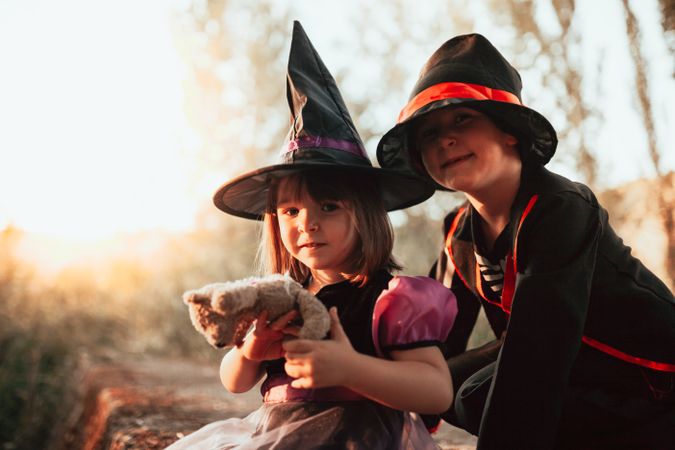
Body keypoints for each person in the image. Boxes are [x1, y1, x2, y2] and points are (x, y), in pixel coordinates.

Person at [166, 21, 456, 450]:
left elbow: (436, 391)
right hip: (277, 434)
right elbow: (235, 381)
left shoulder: (389, 300)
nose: (307, 223)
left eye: (329, 206)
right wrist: (250, 351)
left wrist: (350, 370)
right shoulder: (281, 296)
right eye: (290, 210)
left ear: (366, 215)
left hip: (362, 439)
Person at [376, 33, 675, 449]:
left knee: (480, 393)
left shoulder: (560, 207)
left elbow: (538, 352)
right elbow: (434, 341)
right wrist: (374, 396)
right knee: (441, 382)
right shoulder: (459, 232)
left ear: (510, 131)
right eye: (428, 133)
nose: (444, 139)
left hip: (649, 374)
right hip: (571, 367)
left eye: (462, 119)